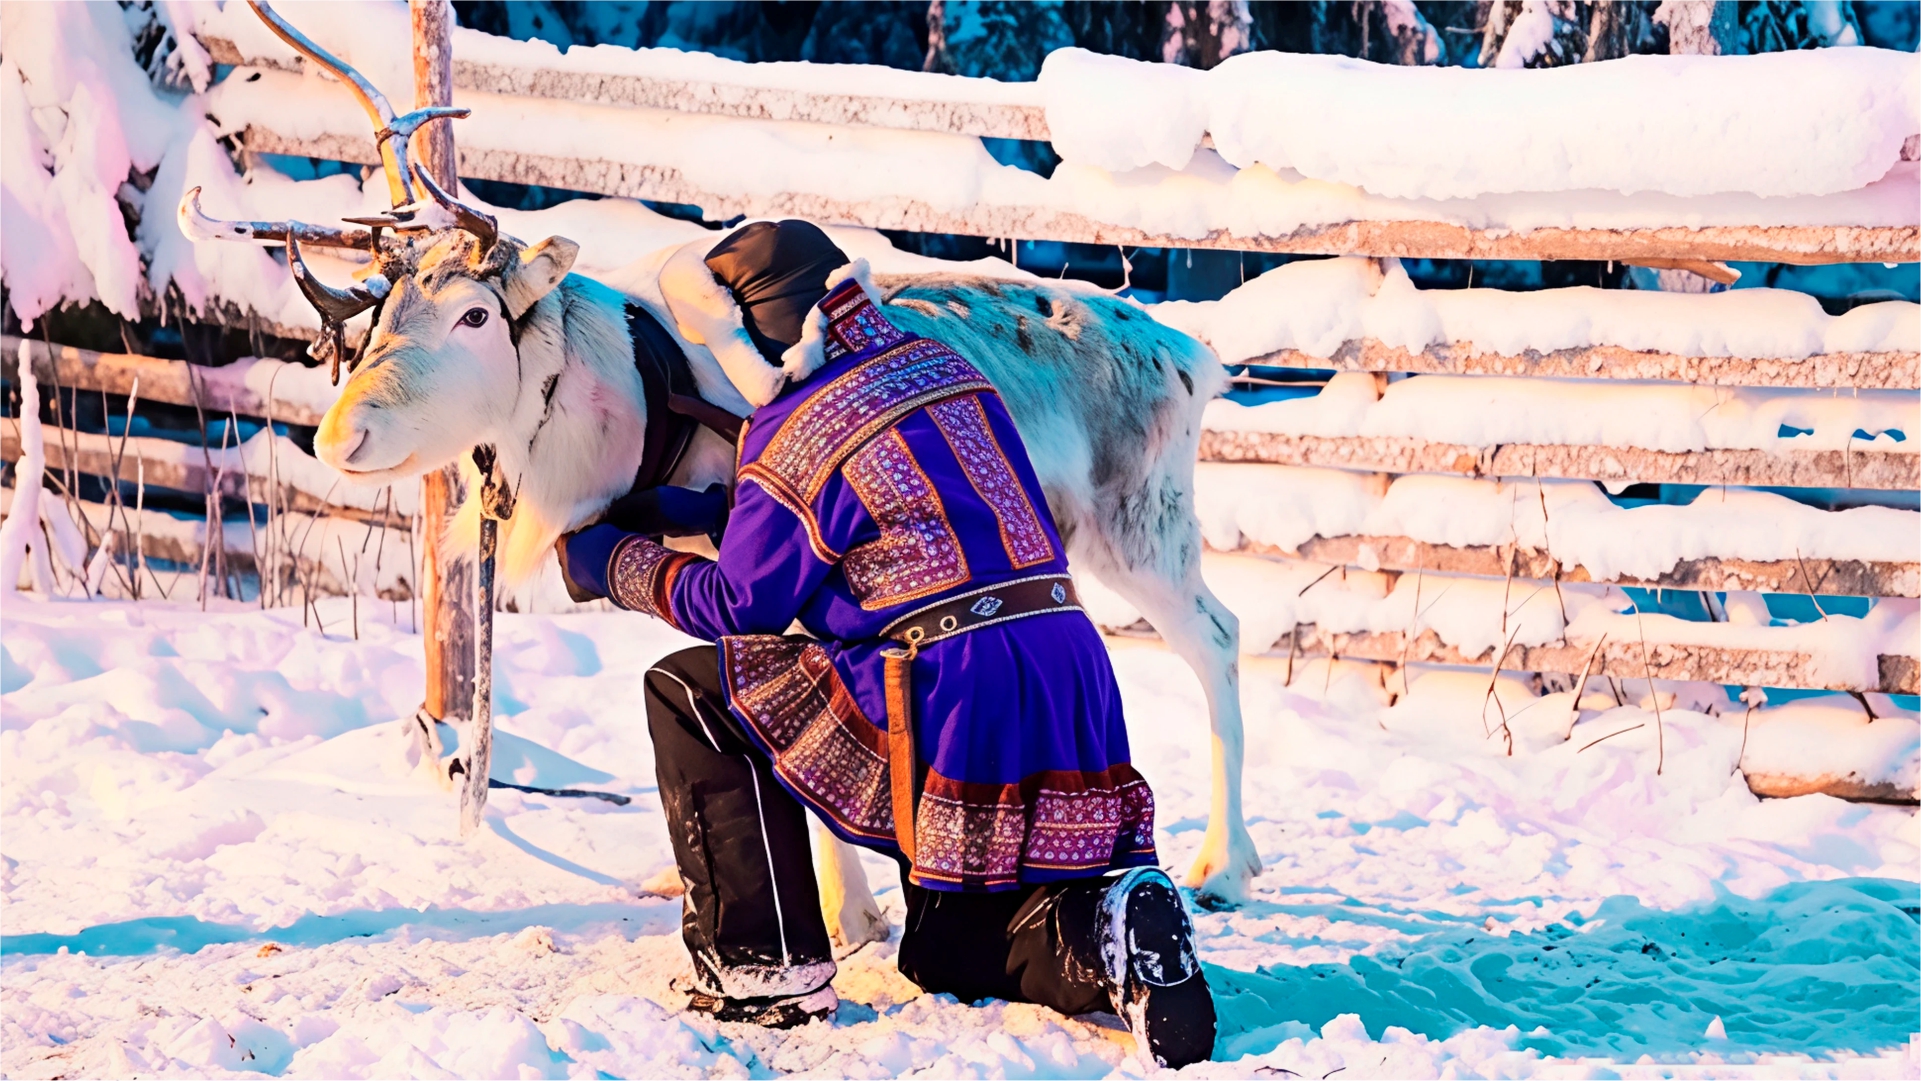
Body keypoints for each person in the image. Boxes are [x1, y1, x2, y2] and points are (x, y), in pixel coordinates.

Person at [557, 220, 1215, 1067]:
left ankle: (764, 965)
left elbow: (741, 600)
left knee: (692, 693)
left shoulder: (798, 425)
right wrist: (693, 513)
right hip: (1062, 661)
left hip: (945, 683)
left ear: (755, 337)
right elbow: (880, 516)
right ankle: (1103, 930)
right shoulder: (946, 371)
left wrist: (614, 560)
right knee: (945, 951)